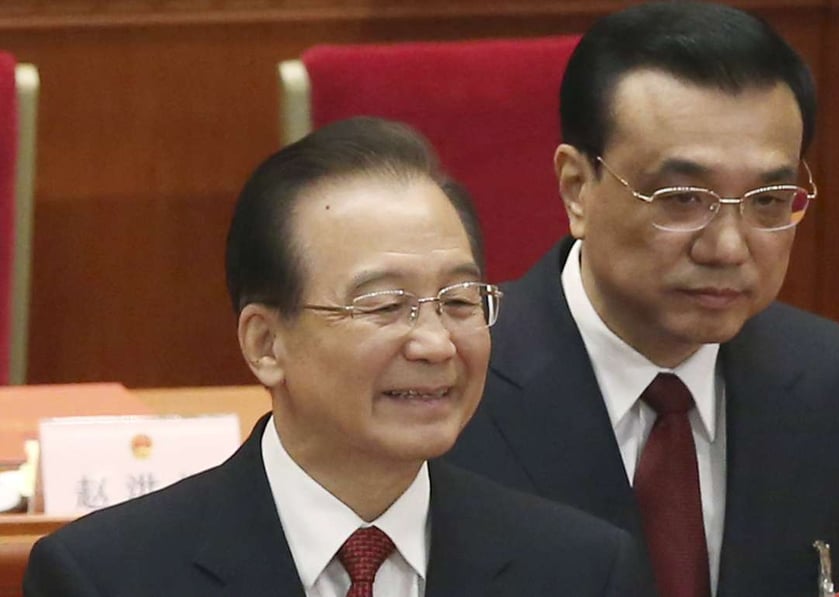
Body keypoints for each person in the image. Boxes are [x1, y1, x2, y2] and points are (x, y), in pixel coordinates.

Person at [23, 117, 654, 597]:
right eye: (384, 306)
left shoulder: (580, 570)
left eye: (460, 301)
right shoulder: (106, 578)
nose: (435, 344)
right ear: (265, 344)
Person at [446, 2, 839, 596]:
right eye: (683, 198)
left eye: (768, 200)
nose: (729, 247)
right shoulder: (452, 385)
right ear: (577, 189)